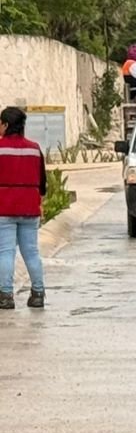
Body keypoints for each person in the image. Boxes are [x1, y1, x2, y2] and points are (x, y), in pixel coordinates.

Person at [0, 106, 47, 309]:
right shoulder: (34, 148)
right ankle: (38, 293)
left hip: (4, 208)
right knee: (31, 252)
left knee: (5, 252)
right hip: (30, 208)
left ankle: (6, 296)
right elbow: (42, 181)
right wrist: (40, 202)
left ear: (6, 125)